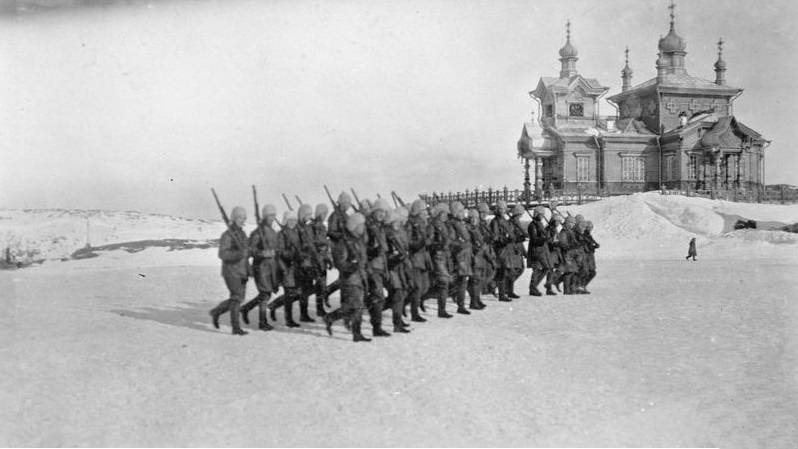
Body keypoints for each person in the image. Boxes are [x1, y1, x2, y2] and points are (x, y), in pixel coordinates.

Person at [323, 213, 371, 342]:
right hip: (350, 279)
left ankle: (355, 332)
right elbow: (339, 262)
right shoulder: (344, 242)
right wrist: (352, 266)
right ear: (354, 226)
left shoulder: (359, 241)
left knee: (356, 307)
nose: (363, 228)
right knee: (354, 306)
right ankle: (333, 318)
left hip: (360, 277)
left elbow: (363, 259)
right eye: (361, 226)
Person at [209, 206, 250, 335]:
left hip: (242, 271)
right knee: (237, 298)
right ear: (233, 219)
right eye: (238, 218)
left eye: (243, 218)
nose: (241, 220)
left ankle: (217, 312)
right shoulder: (227, 235)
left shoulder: (242, 233)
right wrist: (238, 254)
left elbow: (246, 252)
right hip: (231, 271)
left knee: (238, 298)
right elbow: (222, 253)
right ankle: (236, 328)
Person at [240, 204, 279, 331]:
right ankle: (262, 322)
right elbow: (250, 250)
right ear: (264, 216)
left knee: (266, 294)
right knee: (265, 293)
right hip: (261, 267)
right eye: (270, 215)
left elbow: (277, 247)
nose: (272, 218)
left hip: (271, 267)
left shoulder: (273, 231)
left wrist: (275, 252)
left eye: (274, 215)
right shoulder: (257, 232)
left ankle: (246, 308)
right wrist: (262, 253)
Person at [365, 198, 392, 337]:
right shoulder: (368, 227)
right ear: (374, 212)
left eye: (383, 212)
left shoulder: (381, 227)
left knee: (377, 297)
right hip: (372, 267)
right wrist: (373, 251)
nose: (382, 214)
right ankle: (377, 328)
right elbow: (362, 248)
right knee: (378, 297)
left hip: (381, 266)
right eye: (379, 211)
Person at [385, 208, 412, 333]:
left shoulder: (397, 232)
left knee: (397, 296)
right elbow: (387, 253)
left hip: (399, 267)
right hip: (392, 268)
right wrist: (397, 256)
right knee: (398, 294)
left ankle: (398, 320)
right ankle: (397, 324)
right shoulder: (389, 234)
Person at [276, 210, 303, 327]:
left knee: (296, 292)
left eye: (294, 220)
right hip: (286, 266)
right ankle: (288, 319)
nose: (292, 222)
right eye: (290, 220)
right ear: (286, 221)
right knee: (289, 293)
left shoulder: (297, 232)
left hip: (297, 267)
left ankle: (275, 307)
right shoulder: (281, 234)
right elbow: (280, 251)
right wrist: (292, 254)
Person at [405, 199, 430, 322]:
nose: (426, 212)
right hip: (414, 259)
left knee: (425, 286)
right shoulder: (410, 223)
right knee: (417, 287)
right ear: (418, 211)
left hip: (423, 259)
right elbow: (408, 241)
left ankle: (403, 304)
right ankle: (414, 314)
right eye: (424, 210)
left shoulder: (423, 223)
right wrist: (421, 243)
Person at [427, 203, 454, 317]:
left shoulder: (445, 225)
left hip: (446, 257)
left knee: (446, 282)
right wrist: (440, 244)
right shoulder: (433, 226)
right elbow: (428, 242)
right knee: (444, 282)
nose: (446, 215)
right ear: (439, 213)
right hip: (438, 256)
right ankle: (441, 311)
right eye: (444, 213)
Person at [447, 201, 473, 314]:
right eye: (461, 211)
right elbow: (451, 241)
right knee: (460, 281)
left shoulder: (459, 223)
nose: (463, 213)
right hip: (458, 257)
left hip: (463, 256)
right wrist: (461, 244)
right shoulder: (453, 224)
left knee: (462, 281)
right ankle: (460, 305)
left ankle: (460, 304)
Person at [488, 201, 514, 302]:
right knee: (502, 271)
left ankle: (495, 287)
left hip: (505, 249)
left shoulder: (504, 220)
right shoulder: (495, 221)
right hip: (499, 250)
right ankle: (501, 294)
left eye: (504, 209)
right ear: (497, 210)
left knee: (504, 271)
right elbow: (495, 237)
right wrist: (506, 239)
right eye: (501, 209)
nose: (502, 211)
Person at [527, 206, 555, 296]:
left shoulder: (540, 224)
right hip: (536, 250)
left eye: (543, 214)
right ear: (537, 214)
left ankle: (534, 286)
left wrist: (546, 238)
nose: (543, 216)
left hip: (542, 250)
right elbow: (535, 239)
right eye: (541, 214)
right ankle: (532, 288)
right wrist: (543, 239)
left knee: (545, 268)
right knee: (537, 269)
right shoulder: (533, 225)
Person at [311, 203, 333, 314]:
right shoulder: (312, 226)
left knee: (321, 284)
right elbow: (314, 242)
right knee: (319, 285)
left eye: (325, 213)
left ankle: (320, 307)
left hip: (322, 260)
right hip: (316, 260)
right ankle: (320, 307)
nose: (325, 215)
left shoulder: (322, 227)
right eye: (323, 213)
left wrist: (328, 259)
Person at [466, 208, 488, 310]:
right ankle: (473, 302)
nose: (474, 220)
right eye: (472, 218)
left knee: (479, 280)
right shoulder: (468, 229)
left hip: (480, 256)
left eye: (476, 218)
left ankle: (477, 299)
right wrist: (478, 247)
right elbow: (469, 243)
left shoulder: (477, 228)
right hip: (473, 256)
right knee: (475, 280)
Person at [506, 204, 527, 298]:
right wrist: (520, 238)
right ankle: (508, 290)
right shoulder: (511, 223)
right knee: (514, 270)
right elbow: (511, 237)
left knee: (519, 269)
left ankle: (507, 288)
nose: (521, 216)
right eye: (520, 214)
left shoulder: (517, 222)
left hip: (518, 248)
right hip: (512, 249)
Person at [583, 221, 599, 292]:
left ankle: (582, 285)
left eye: (591, 227)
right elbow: (585, 246)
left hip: (590, 255)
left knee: (592, 272)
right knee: (588, 272)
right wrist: (593, 246)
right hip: (587, 256)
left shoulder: (588, 235)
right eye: (588, 227)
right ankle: (581, 285)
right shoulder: (584, 235)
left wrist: (594, 246)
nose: (590, 229)